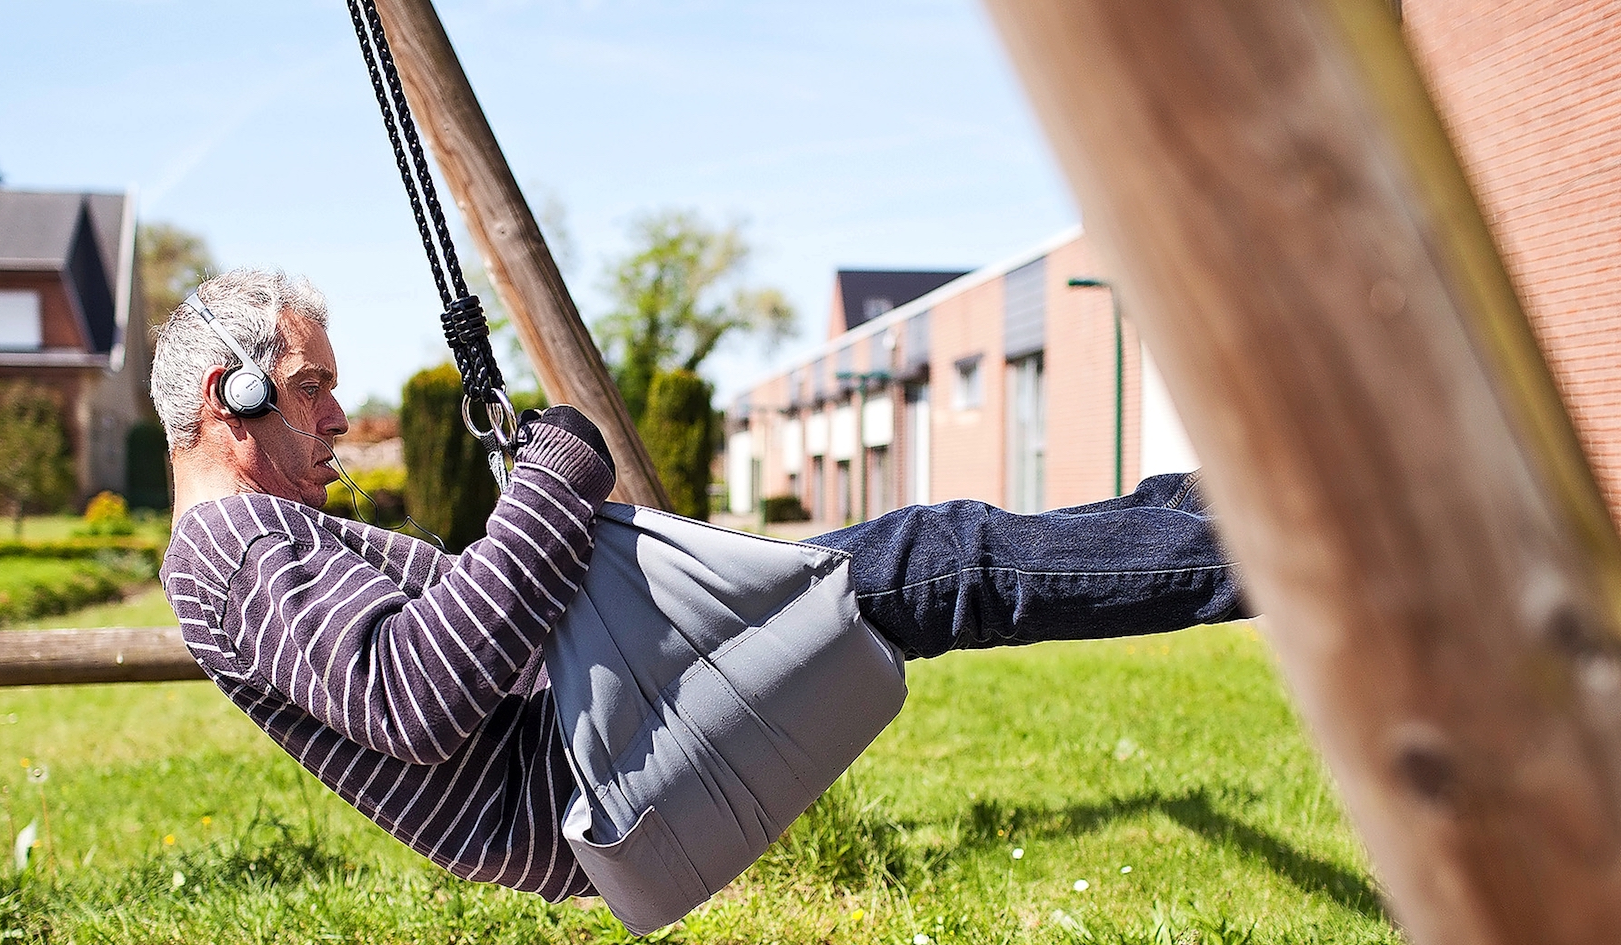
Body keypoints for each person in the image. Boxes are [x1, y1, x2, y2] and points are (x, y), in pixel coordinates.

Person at [154, 269, 1244, 904]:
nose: (339, 417)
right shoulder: (241, 547)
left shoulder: (245, 544)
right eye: (309, 390)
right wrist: (556, 476)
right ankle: (1276, 547)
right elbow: (416, 695)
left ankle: (1221, 510)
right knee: (939, 564)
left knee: (933, 554)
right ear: (229, 395)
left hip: (600, 732)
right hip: (596, 772)